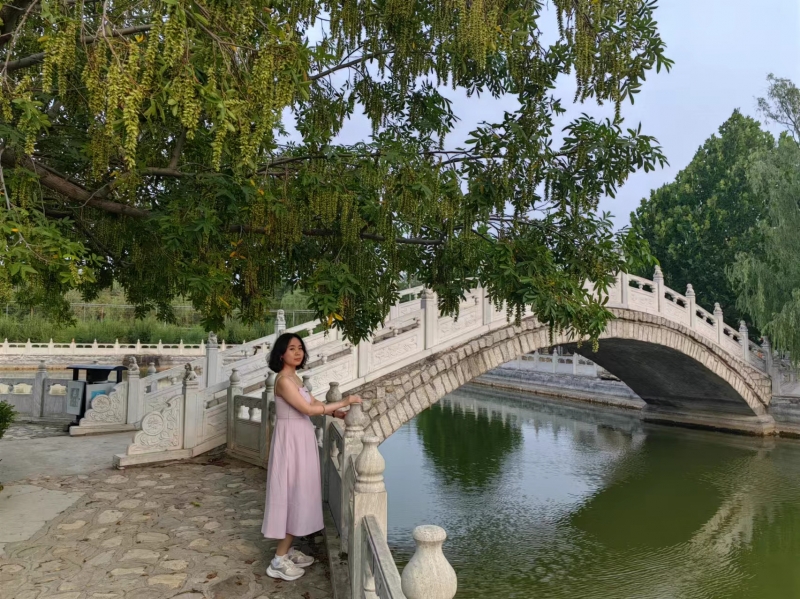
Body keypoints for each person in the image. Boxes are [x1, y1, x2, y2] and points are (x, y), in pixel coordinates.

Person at [262, 332, 362, 581]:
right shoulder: (283, 380)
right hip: (291, 442)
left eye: (300, 348)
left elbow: (313, 401)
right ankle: (278, 560)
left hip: (301, 439)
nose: (298, 352)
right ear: (281, 354)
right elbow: (307, 409)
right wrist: (344, 401)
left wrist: (335, 414)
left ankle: (287, 550)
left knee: (301, 492)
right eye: (291, 348)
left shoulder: (294, 377)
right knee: (293, 493)